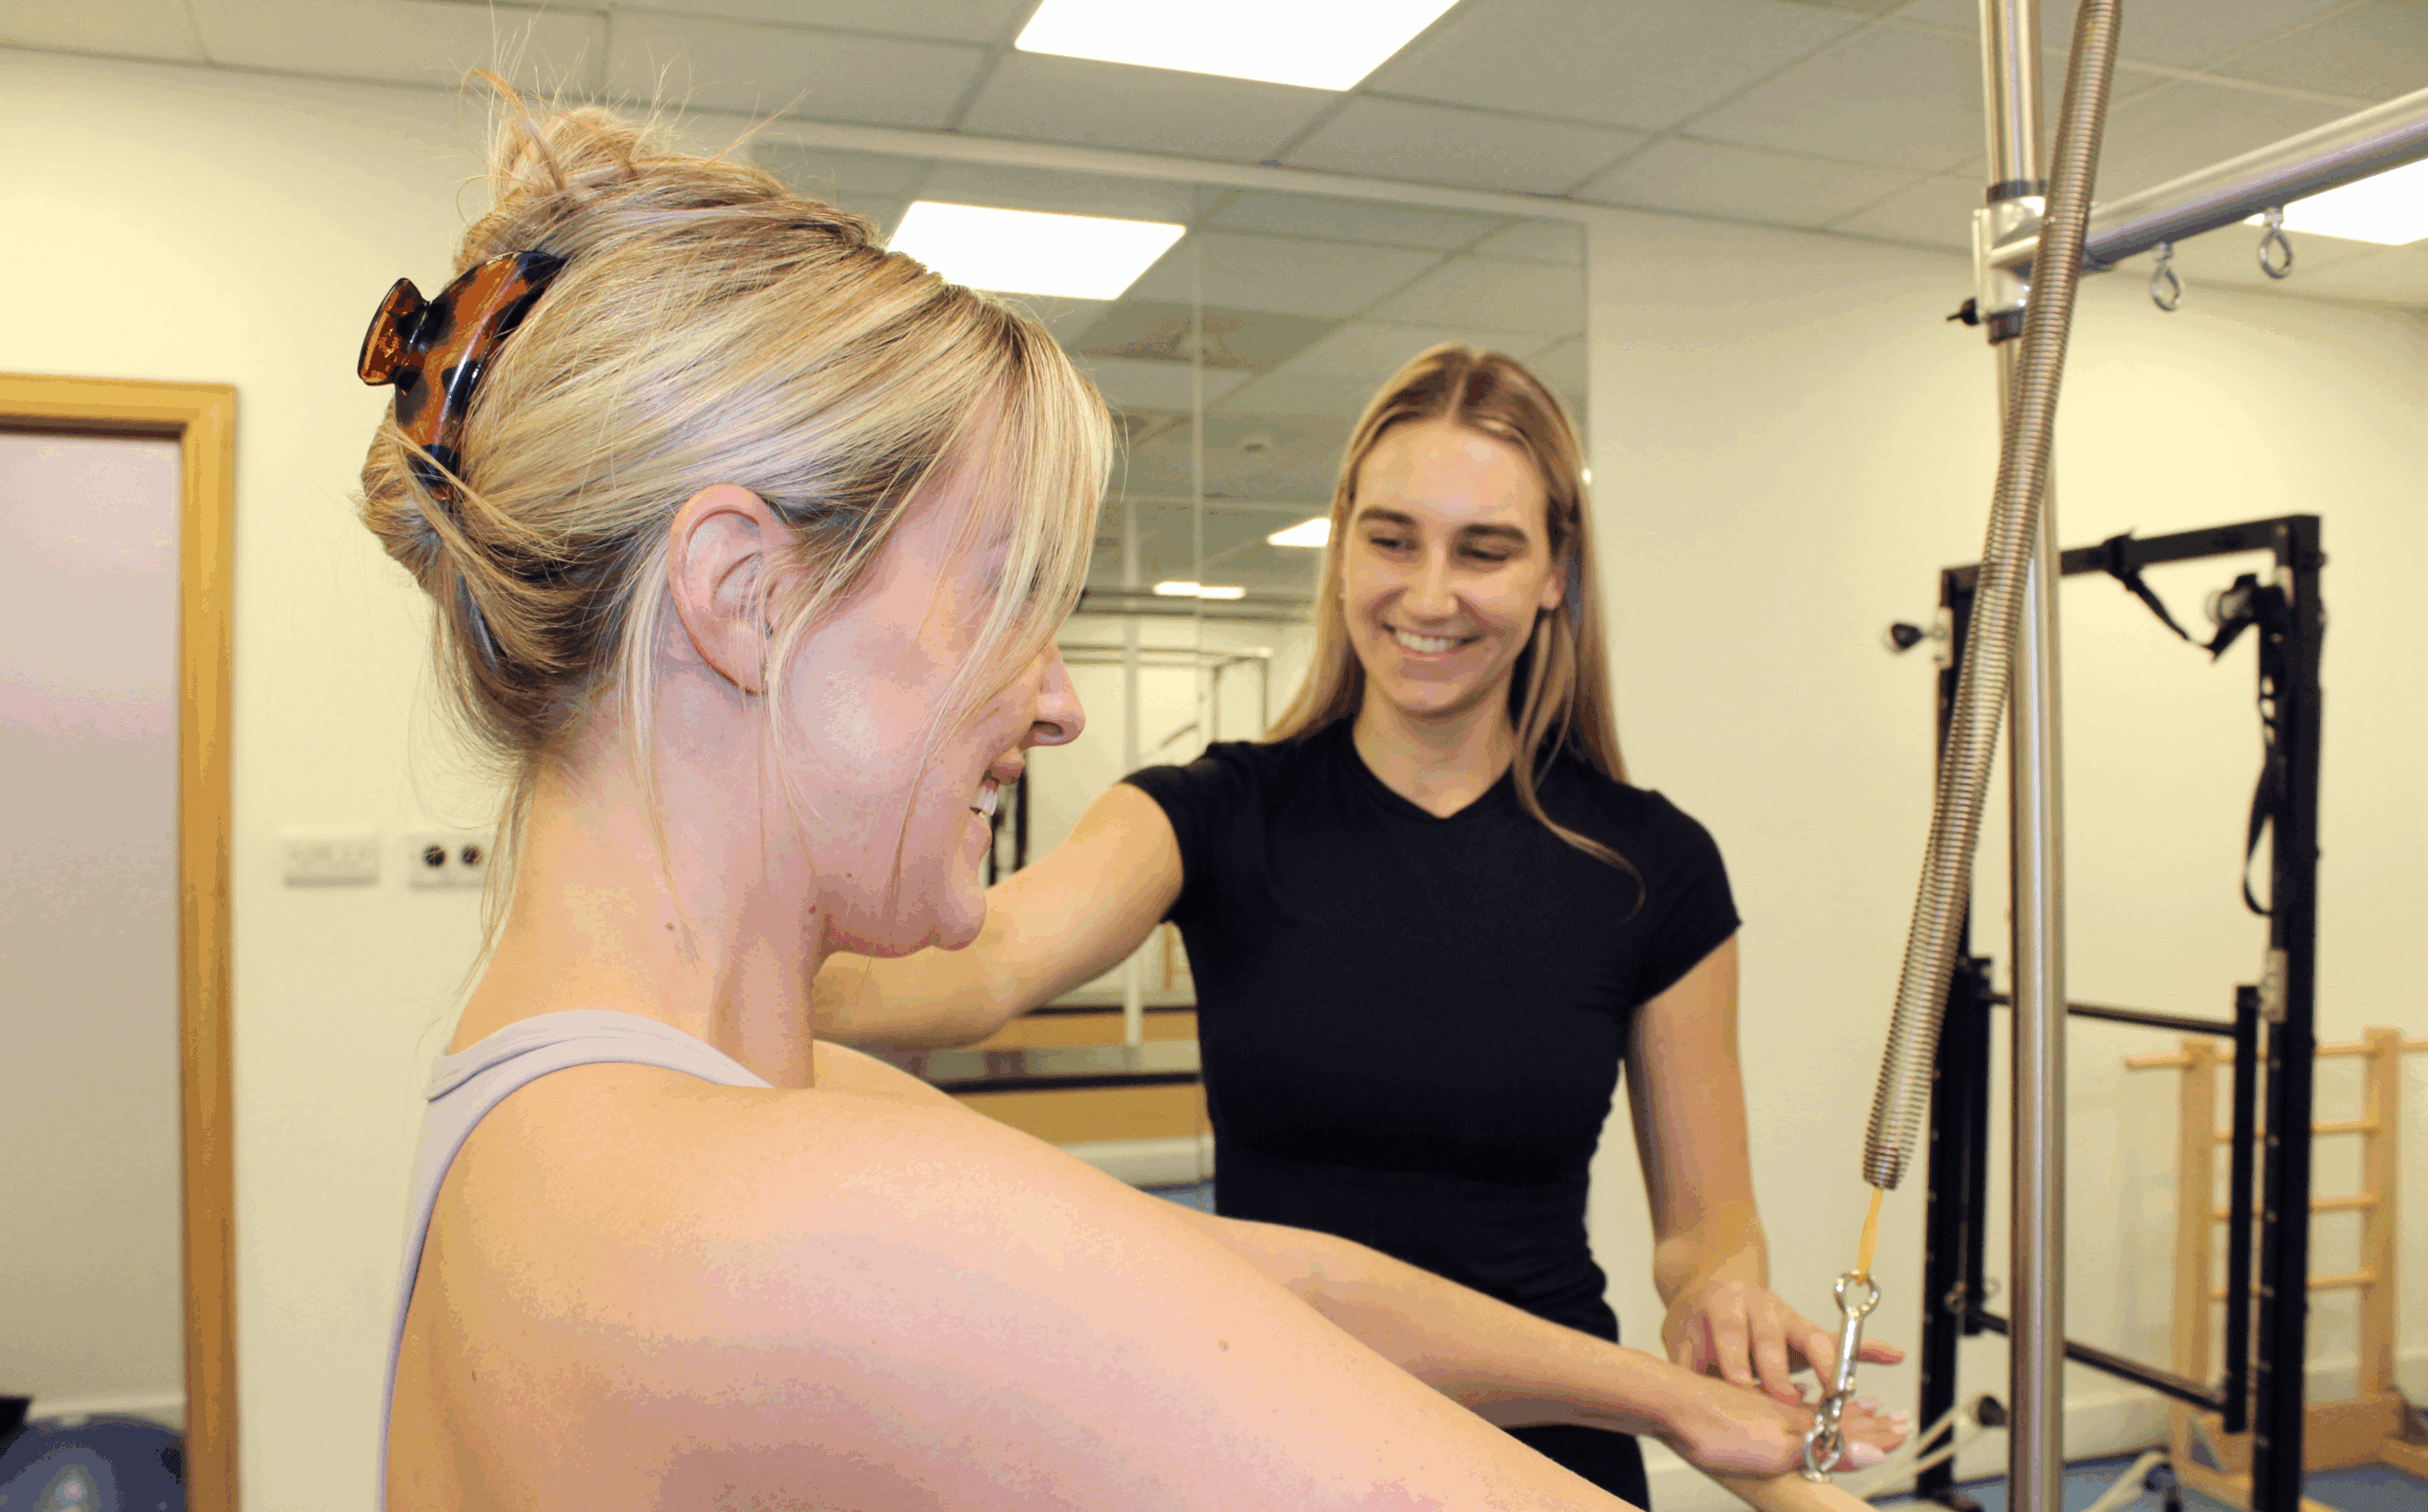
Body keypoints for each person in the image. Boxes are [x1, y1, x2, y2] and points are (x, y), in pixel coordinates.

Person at [368, 90, 1903, 1510]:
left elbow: (1278, 1285)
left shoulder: (688, 1107)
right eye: (998, 595)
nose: (1057, 696)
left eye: (1487, 550)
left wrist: (1674, 1399)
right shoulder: (765, 1194)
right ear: (741, 597)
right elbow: (990, 995)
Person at [812, 344, 1905, 1502]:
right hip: (1271, 1428)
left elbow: (1706, 1227)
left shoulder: (1653, 863)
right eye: (1391, 539)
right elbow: (985, 962)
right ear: (1342, 546)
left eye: (1484, 550)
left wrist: (1719, 1297)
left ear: (1552, 575)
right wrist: (684, 968)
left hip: (1546, 1441)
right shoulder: (1211, 812)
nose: (1429, 595)